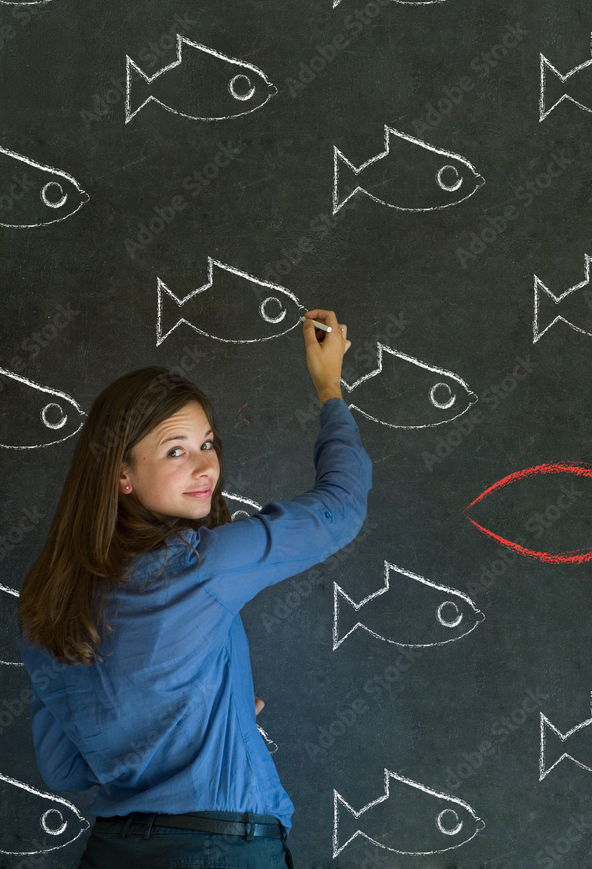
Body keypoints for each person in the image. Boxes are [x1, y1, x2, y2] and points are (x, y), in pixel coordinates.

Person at [19, 310, 372, 869]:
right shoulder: (201, 565)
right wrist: (329, 386)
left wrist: (192, 717)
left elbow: (63, 770)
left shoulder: (46, 604)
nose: (206, 465)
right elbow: (342, 508)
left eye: (208, 443)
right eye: (175, 450)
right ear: (122, 475)